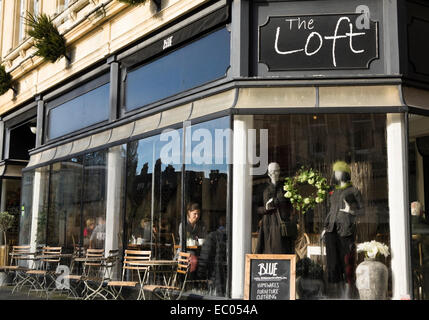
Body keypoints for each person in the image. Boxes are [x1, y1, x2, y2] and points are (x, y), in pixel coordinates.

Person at [322, 161, 364, 299]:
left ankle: (347, 295)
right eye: (335, 171)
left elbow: (362, 211)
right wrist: (325, 228)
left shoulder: (354, 191)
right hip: (331, 231)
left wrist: (350, 211)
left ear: (345, 173)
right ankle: (338, 294)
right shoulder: (333, 192)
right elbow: (331, 211)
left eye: (339, 171)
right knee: (333, 264)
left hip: (346, 232)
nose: (337, 173)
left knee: (347, 264)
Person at [255, 162, 298, 254]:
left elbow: (291, 205)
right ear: (269, 173)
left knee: (282, 248)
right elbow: (256, 208)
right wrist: (265, 209)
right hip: (268, 223)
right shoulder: (263, 189)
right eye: (272, 171)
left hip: (282, 222)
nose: (275, 173)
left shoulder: (285, 187)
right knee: (269, 248)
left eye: (277, 171)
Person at [197, 215, 227, 296]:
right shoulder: (234, 237)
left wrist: (200, 275)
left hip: (215, 279)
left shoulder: (212, 237)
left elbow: (204, 258)